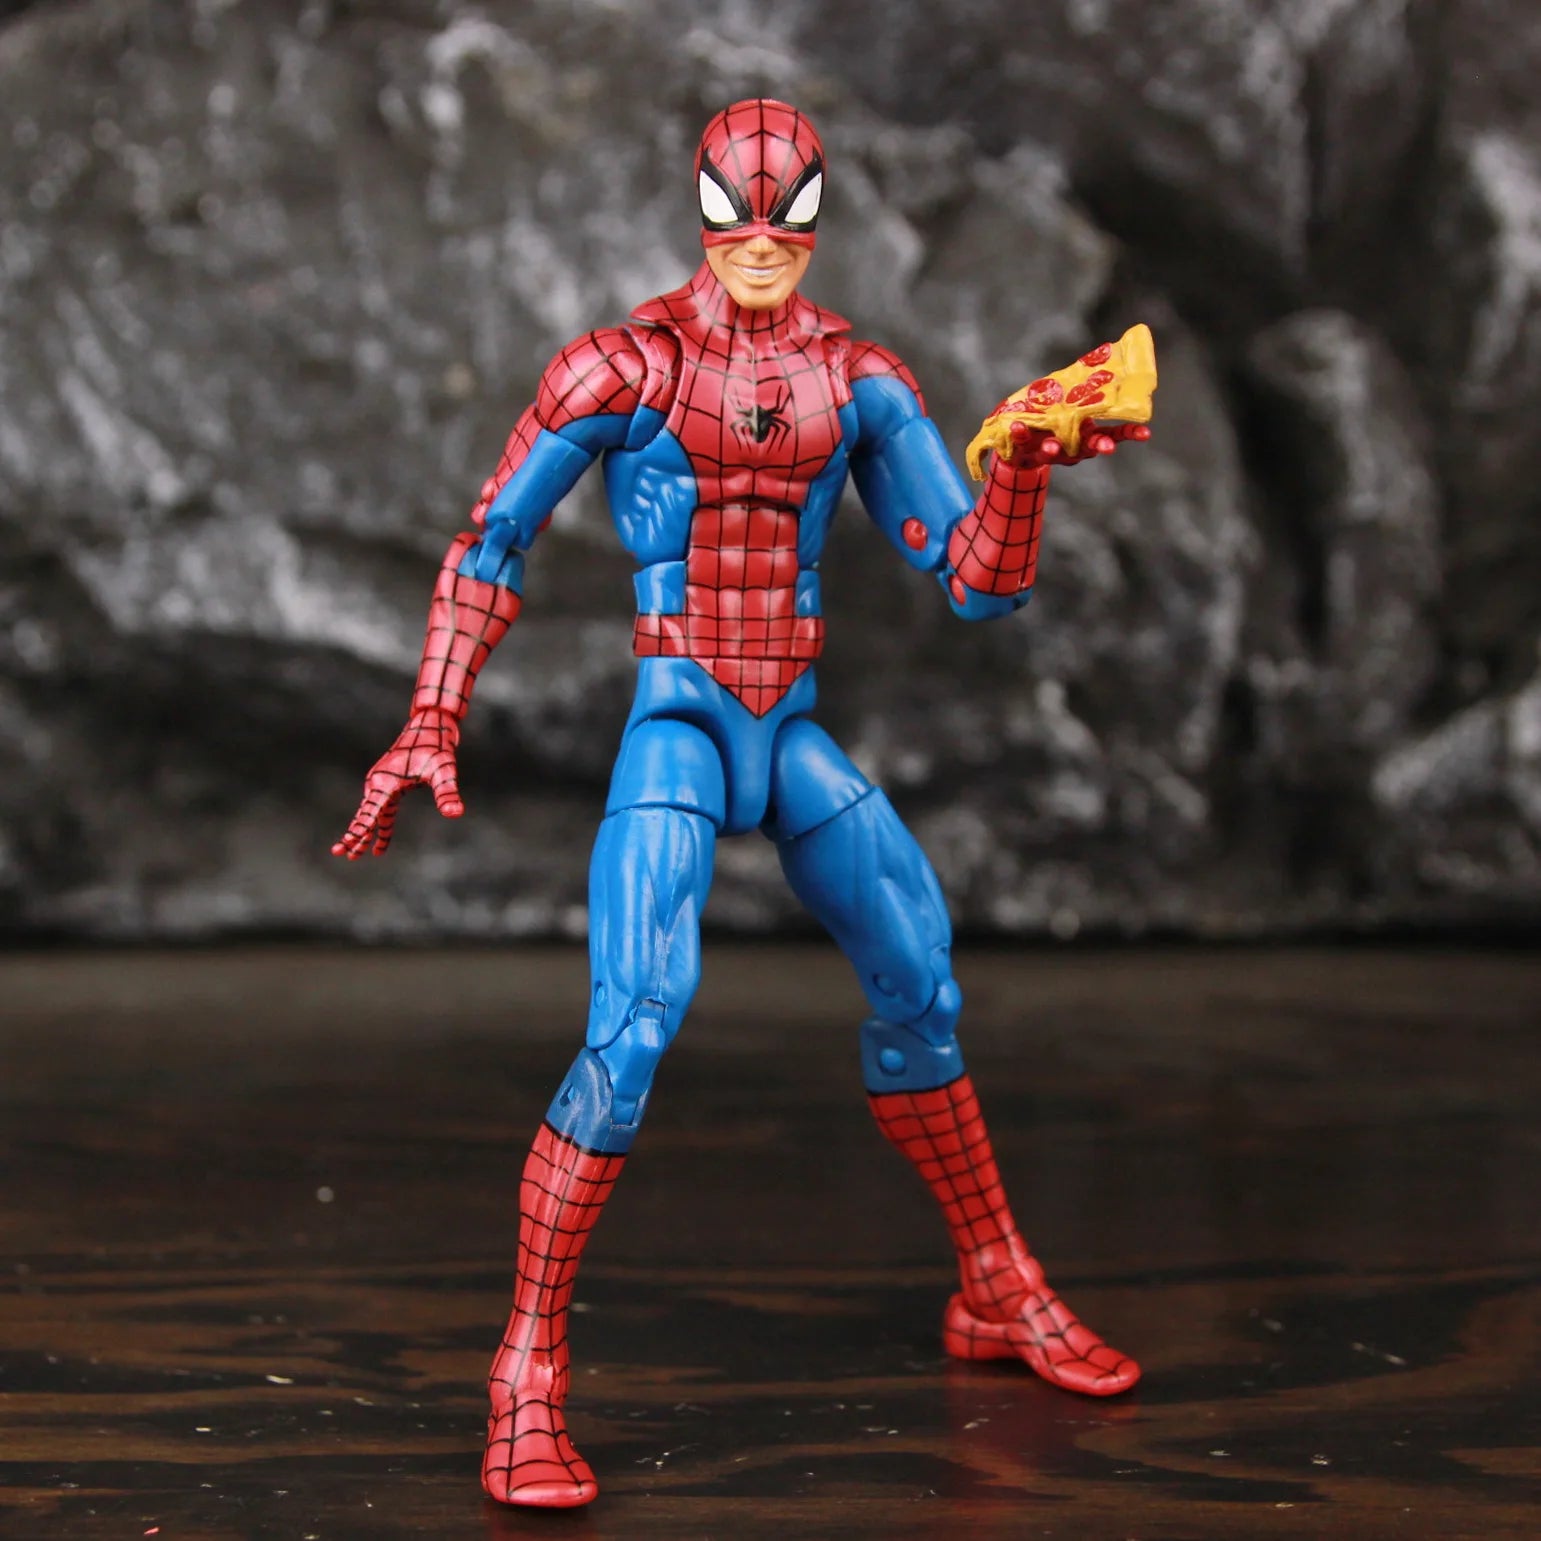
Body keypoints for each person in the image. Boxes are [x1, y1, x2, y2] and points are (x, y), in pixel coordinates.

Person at [335, 98, 1148, 1509]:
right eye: (738, 214)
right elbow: (492, 536)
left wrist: (1019, 469)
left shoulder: (860, 382)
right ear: (702, 210)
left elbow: (974, 583)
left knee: (921, 982)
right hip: (680, 722)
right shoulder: (624, 368)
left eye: (787, 214)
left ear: (819, 214)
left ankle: (995, 1282)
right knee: (631, 1026)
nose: (762, 240)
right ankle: (525, 1372)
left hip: (791, 729)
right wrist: (430, 712)